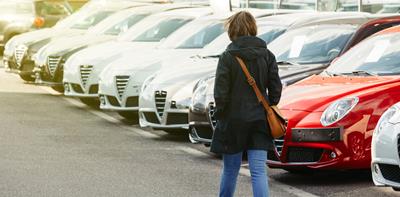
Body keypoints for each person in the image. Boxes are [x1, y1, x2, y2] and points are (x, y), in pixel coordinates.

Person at [210, 11, 282, 197]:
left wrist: (220, 114)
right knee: (258, 171)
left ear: (233, 30)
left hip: (232, 121)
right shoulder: (267, 55)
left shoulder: (227, 57)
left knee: (230, 170)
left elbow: (220, 94)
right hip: (259, 120)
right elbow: (276, 90)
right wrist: (269, 105)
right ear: (253, 28)